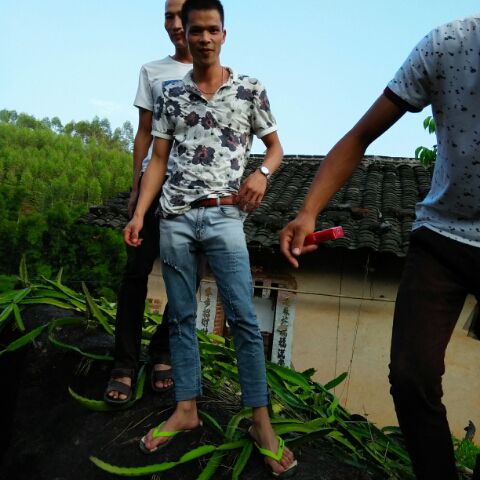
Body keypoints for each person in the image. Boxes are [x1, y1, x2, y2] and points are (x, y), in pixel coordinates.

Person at [280, 15, 480, 480]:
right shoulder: (448, 44)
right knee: (411, 377)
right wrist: (309, 211)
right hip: (443, 235)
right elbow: (360, 135)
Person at [123, 0, 298, 476]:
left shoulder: (249, 89)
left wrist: (261, 174)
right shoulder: (170, 94)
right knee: (181, 317)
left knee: (243, 318)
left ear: (224, 34)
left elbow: (276, 147)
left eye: (211, 30)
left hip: (225, 217)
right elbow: (159, 159)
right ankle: (186, 409)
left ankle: (260, 422)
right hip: (176, 218)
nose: (203, 38)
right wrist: (139, 213)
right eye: (195, 30)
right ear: (185, 33)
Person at [104, 0, 193, 404]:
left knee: (187, 279)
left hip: (191, 196)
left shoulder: (218, 75)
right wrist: (136, 188)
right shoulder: (152, 71)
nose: (174, 24)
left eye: (181, 16)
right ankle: (124, 363)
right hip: (154, 189)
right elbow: (143, 132)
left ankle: (161, 351)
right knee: (135, 274)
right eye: (168, 17)